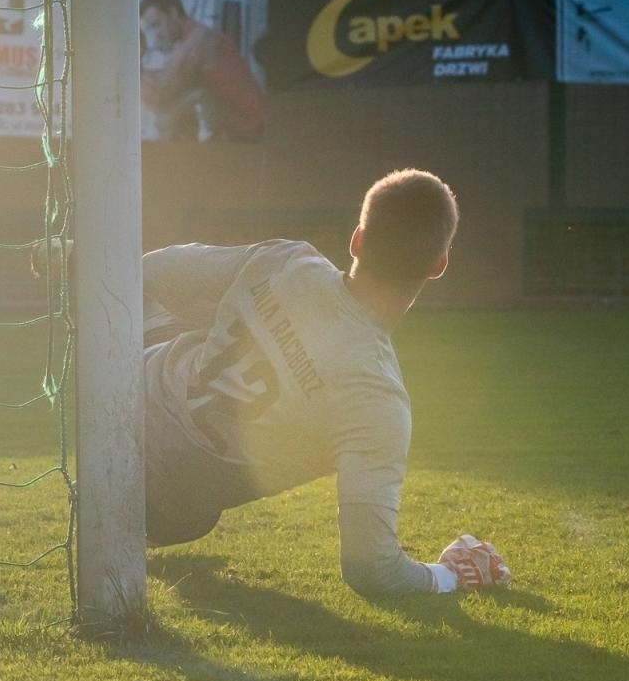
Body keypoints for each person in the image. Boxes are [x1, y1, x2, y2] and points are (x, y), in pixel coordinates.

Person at [140, 169, 510, 596]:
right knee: (192, 515)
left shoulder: (288, 262)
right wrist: (450, 575)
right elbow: (371, 569)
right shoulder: (378, 401)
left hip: (119, 385)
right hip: (159, 502)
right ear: (438, 266)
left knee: (194, 305)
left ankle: (70, 259)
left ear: (357, 239)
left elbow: (158, 270)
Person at [139, 0, 265, 142]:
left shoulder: (199, 41)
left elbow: (162, 94)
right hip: (239, 127)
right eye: (152, 28)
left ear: (173, 13)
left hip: (249, 132)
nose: (156, 33)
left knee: (166, 120)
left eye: (157, 24)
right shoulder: (194, 39)